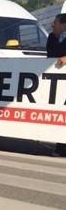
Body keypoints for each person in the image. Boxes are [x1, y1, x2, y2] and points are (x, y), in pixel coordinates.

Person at [46, 13, 66, 157]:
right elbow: (51, 54)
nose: (53, 25)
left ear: (64, 25)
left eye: (56, 22)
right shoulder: (52, 37)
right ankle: (61, 147)